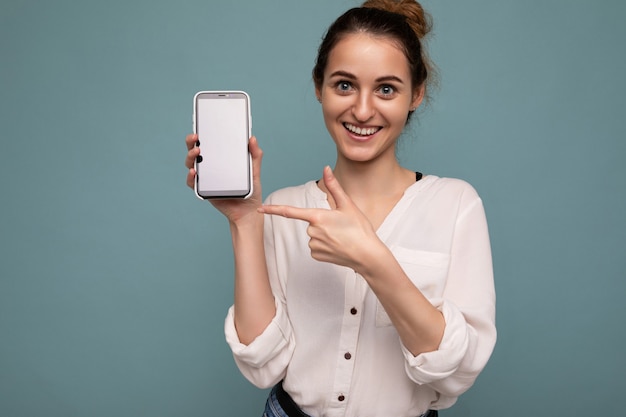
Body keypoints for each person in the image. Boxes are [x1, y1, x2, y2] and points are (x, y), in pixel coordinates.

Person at [184, 0, 496, 416]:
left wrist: (373, 260)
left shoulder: (456, 204)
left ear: (415, 94)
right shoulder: (283, 208)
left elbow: (456, 370)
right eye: (344, 85)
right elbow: (262, 364)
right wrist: (243, 221)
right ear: (319, 87)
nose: (362, 110)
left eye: (386, 89)